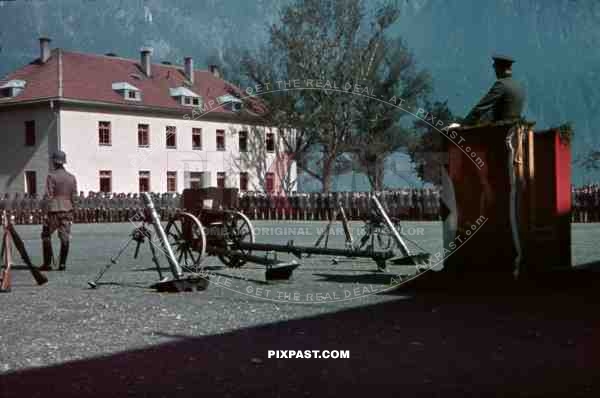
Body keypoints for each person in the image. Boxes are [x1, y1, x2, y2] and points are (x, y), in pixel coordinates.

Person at [40, 150, 77, 271]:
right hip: (67, 210)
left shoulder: (51, 176)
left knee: (46, 235)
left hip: (53, 210)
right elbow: (74, 197)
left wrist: (44, 212)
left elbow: (48, 196)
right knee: (65, 238)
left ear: (54, 162)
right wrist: (73, 212)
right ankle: (62, 264)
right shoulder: (71, 177)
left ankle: (47, 264)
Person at [463, 54, 526, 125]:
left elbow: (482, 107)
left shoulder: (501, 84)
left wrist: (463, 124)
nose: (495, 71)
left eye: (495, 68)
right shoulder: (518, 85)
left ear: (500, 68)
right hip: (516, 127)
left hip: (501, 129)